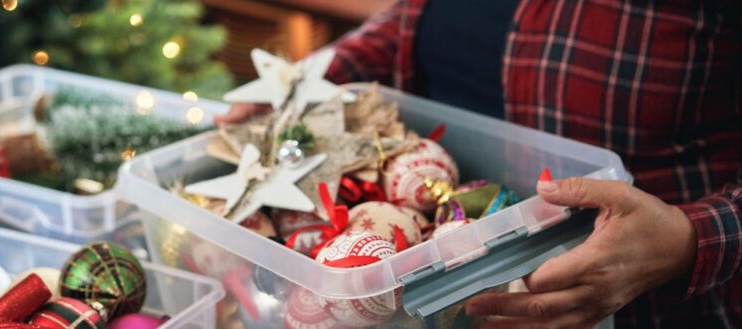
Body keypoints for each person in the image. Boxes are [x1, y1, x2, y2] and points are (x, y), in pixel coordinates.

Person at [215, 1, 742, 328]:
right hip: (435, 295)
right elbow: (418, 18)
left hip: (650, 310)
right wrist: (326, 73)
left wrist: (688, 239)